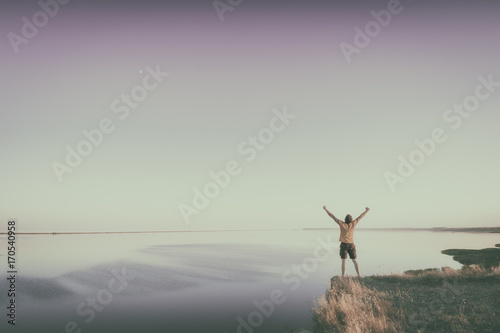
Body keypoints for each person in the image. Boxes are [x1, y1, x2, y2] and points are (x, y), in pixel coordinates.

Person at [322, 205, 370, 277]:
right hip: (351, 244)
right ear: (351, 220)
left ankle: (343, 275)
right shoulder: (353, 223)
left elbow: (332, 216)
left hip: (344, 245)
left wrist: (325, 209)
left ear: (345, 219)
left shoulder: (342, 224)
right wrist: (366, 211)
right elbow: (360, 216)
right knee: (354, 260)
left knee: (344, 261)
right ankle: (359, 275)